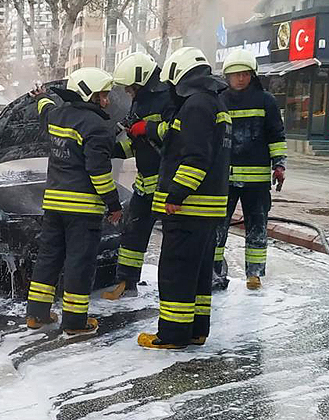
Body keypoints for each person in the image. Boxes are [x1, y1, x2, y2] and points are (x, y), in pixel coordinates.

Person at [132, 47, 231, 349]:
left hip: (189, 207)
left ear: (179, 76)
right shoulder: (214, 102)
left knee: (175, 271)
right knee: (198, 273)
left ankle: (173, 335)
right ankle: (196, 329)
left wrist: (176, 194)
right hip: (207, 208)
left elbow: (195, 156)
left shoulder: (196, 106)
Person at [25, 68, 122, 336]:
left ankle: (36, 315)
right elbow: (99, 173)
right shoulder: (97, 127)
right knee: (79, 264)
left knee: (48, 259)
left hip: (54, 204)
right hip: (82, 210)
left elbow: (45, 110)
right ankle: (75, 323)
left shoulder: (57, 115)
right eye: (103, 95)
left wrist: (41, 96)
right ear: (88, 95)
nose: (107, 101)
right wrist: (114, 205)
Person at [103, 52, 175, 300]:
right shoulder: (140, 102)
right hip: (145, 183)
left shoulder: (170, 97)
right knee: (132, 233)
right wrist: (111, 151)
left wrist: (149, 127)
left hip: (167, 184)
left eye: (129, 87)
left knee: (174, 239)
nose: (127, 92)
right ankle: (126, 281)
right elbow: (137, 143)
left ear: (142, 81)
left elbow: (178, 133)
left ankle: (175, 286)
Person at [213, 49, 287, 291]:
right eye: (236, 75)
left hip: (256, 180)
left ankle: (254, 274)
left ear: (252, 75)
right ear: (227, 77)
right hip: (224, 178)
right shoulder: (219, 100)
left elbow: (276, 135)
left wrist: (279, 164)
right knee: (217, 226)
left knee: (257, 226)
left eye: (245, 74)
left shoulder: (266, 101)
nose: (240, 79)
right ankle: (214, 270)